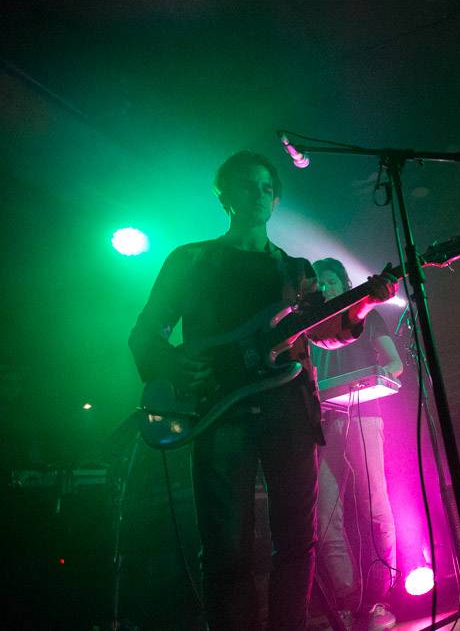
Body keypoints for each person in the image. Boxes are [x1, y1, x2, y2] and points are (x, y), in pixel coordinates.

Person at [129, 151, 396, 630]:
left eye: (266, 188)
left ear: (275, 200)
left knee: (297, 541)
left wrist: (361, 307)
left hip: (289, 410)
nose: (258, 194)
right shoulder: (192, 260)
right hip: (220, 412)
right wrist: (172, 365)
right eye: (247, 186)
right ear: (224, 197)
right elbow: (146, 333)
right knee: (226, 547)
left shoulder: (295, 269)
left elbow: (325, 331)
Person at [310, 258, 403, 631]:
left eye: (331, 281)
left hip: (363, 414)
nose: (325, 288)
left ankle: (379, 598)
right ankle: (348, 602)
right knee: (325, 516)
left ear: (344, 284)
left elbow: (394, 364)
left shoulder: (367, 316)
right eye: (319, 282)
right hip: (323, 422)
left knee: (373, 505)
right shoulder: (309, 327)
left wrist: (369, 380)